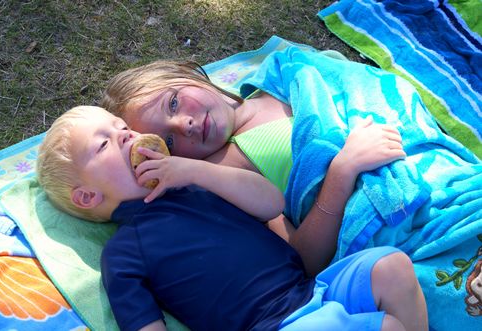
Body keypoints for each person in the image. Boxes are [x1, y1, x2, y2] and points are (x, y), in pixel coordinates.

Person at [36, 105, 428, 331]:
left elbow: (270, 202)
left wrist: (193, 171)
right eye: (105, 143)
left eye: (123, 127)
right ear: (88, 197)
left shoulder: (200, 185)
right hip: (269, 326)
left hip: (313, 292)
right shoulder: (124, 250)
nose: (126, 136)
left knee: (391, 267)